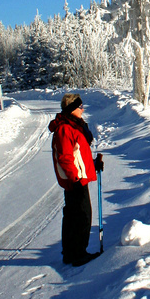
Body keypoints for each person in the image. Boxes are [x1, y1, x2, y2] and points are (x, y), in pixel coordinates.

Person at [49, 93, 104, 266]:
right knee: (82, 215)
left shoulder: (73, 126)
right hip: (75, 180)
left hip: (77, 177)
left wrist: (93, 164)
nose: (83, 109)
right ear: (72, 109)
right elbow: (65, 157)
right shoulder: (65, 128)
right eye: (80, 107)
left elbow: (78, 154)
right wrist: (75, 179)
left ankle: (71, 252)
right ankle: (78, 253)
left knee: (73, 215)